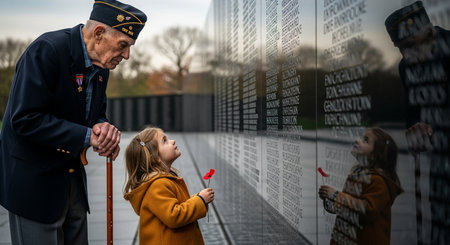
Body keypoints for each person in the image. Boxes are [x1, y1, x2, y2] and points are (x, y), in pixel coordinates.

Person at [0, 0, 147, 244]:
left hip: (72, 180)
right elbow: (24, 120)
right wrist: (88, 136)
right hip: (34, 186)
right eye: (123, 45)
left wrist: (101, 126)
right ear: (99, 33)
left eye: (129, 47)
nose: (127, 55)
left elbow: (95, 113)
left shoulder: (102, 65)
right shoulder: (47, 50)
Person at [385, 1, 450, 243]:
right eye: (404, 49)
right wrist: (417, 129)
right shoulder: (407, 67)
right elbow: (413, 112)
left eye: (414, 45)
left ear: (430, 32)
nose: (411, 56)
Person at [123, 126, 214, 245]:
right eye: (164, 141)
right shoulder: (158, 185)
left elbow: (176, 206)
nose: (173, 141)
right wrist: (200, 200)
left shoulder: (162, 181)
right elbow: (174, 215)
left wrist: (198, 198)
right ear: (155, 158)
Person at [319, 127, 403, 245]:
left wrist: (336, 195)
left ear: (374, 155)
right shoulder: (357, 176)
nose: (358, 141)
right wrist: (330, 199)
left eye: (365, 140)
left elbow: (367, 210)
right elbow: (348, 207)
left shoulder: (378, 181)